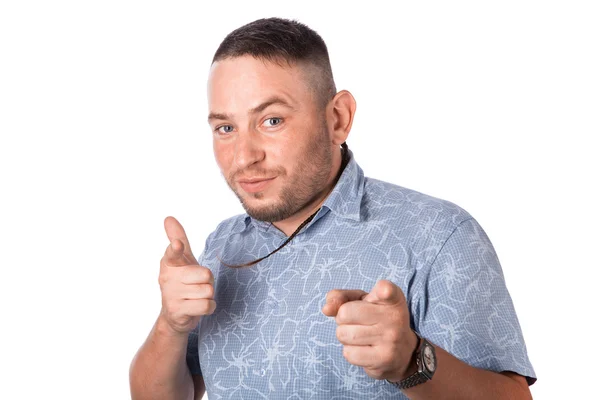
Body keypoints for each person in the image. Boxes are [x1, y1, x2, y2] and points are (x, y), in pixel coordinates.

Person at [129, 17, 536, 399]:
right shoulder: (223, 245)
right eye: (225, 128)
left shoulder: (439, 235)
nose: (243, 157)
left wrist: (412, 360)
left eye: (271, 120)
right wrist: (171, 323)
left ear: (338, 118)